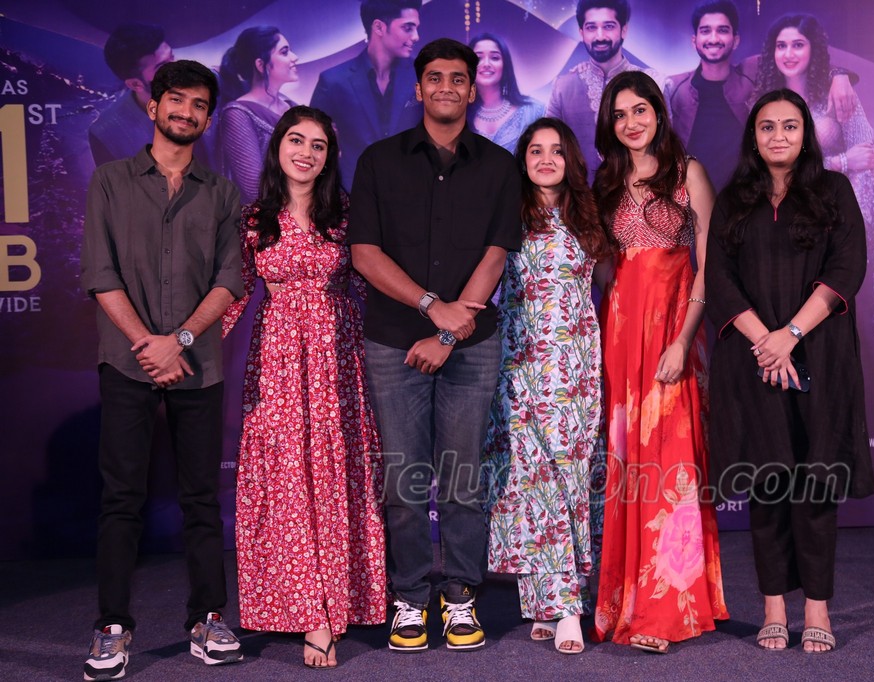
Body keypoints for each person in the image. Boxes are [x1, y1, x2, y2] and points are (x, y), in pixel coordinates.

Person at [348, 38, 521, 653]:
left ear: (473, 90)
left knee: (463, 479)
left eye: (458, 78)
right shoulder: (379, 161)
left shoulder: (499, 166)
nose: (447, 86)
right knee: (403, 479)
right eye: (435, 77)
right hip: (394, 342)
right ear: (418, 87)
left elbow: (496, 254)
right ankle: (410, 597)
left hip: (470, 345)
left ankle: (462, 593)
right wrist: (430, 307)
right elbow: (364, 253)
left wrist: (447, 331)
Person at [80, 60, 244, 681]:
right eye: (176, 100)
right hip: (126, 363)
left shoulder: (222, 192)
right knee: (122, 498)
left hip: (198, 366)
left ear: (208, 117)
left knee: (201, 498)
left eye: (199, 104)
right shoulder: (110, 181)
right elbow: (100, 274)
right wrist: (147, 345)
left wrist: (179, 341)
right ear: (153, 106)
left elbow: (230, 279)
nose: (186, 112)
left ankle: (208, 618)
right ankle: (111, 628)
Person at [705, 88, 874, 653]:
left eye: (790, 126)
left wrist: (790, 336)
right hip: (755, 361)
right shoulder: (733, 200)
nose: (778, 135)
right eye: (767, 126)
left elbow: (848, 267)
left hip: (820, 356)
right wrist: (766, 343)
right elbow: (720, 280)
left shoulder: (834, 191)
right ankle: (774, 606)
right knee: (769, 482)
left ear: (806, 135)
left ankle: (818, 609)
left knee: (815, 482)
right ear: (753, 137)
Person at [222, 106, 387, 668]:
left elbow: (369, 285)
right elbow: (233, 292)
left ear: (329, 156)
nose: (307, 153)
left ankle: (341, 601)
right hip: (278, 361)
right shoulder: (254, 219)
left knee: (337, 477)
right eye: (297, 140)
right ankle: (309, 612)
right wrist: (188, 347)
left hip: (339, 357)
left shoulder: (346, 214)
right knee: (288, 481)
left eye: (319, 145)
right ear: (277, 147)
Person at [590, 71, 728, 653]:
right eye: (620, 114)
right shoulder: (605, 180)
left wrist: (683, 340)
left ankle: (667, 610)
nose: (631, 122)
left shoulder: (687, 172)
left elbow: (709, 266)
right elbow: (603, 269)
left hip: (673, 330)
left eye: (640, 110)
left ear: (659, 112)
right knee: (627, 466)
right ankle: (626, 602)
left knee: (670, 464)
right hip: (620, 334)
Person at [482, 117, 611, 654]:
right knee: (531, 483)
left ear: (571, 160)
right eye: (535, 150)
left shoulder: (589, 217)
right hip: (518, 365)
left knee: (569, 481)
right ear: (523, 160)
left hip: (576, 368)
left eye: (556, 150)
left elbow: (609, 286)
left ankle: (556, 602)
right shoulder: (507, 215)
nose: (545, 159)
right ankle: (559, 608)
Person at [753, 12, 874, 413]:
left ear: (813, 49)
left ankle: (872, 414)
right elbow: (768, 167)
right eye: (781, 46)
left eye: (798, 45)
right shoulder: (763, 100)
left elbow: (866, 152)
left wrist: (840, 77)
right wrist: (840, 162)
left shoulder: (835, 93)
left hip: (836, 223)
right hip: (784, 228)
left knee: (854, 318)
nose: (789, 53)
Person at [664, 1, 857, 193]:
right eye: (705, 31)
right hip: (694, 196)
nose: (713, 38)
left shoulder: (751, 71)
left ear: (735, 39)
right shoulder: (674, 87)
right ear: (694, 40)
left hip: (748, 194)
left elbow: (800, 61)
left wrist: (839, 75)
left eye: (722, 30)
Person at [311, 0, 423, 189]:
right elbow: (311, 142)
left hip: (412, 194)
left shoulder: (422, 75)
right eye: (408, 28)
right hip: (353, 195)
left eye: (416, 28)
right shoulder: (334, 81)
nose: (416, 36)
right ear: (379, 27)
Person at [546, 0, 658, 177]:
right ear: (581, 32)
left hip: (640, 190)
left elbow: (665, 145)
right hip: (581, 193)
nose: (600, 36)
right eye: (591, 27)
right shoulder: (563, 87)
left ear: (623, 30)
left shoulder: (652, 82)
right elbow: (550, 147)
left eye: (608, 26)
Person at [216, 26, 300, 204]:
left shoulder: (293, 107)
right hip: (271, 217)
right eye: (284, 52)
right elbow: (256, 189)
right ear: (261, 65)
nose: (294, 57)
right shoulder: (238, 114)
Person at [89, 23, 175, 168]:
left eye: (172, 57)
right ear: (135, 84)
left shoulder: (210, 89)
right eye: (162, 67)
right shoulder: (107, 135)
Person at [467, 33, 545, 154]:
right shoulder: (458, 114)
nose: (486, 64)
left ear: (505, 65)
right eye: (478, 58)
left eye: (494, 58)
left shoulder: (533, 111)